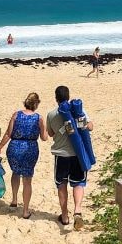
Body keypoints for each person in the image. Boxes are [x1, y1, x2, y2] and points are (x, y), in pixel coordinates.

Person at [0, 92, 48, 219]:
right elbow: (44, 138)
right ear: (36, 104)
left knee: (15, 172)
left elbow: (8, 133)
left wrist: (0, 147)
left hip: (14, 147)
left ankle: (14, 200)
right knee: (27, 179)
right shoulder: (38, 118)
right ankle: (25, 211)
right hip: (30, 148)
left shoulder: (16, 115)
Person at [47, 85, 94, 230]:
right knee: (78, 183)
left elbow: (50, 133)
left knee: (61, 184)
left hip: (61, 155)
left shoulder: (51, 114)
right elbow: (90, 126)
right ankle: (77, 211)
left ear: (56, 98)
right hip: (78, 155)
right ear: (68, 96)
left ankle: (65, 216)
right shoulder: (78, 110)